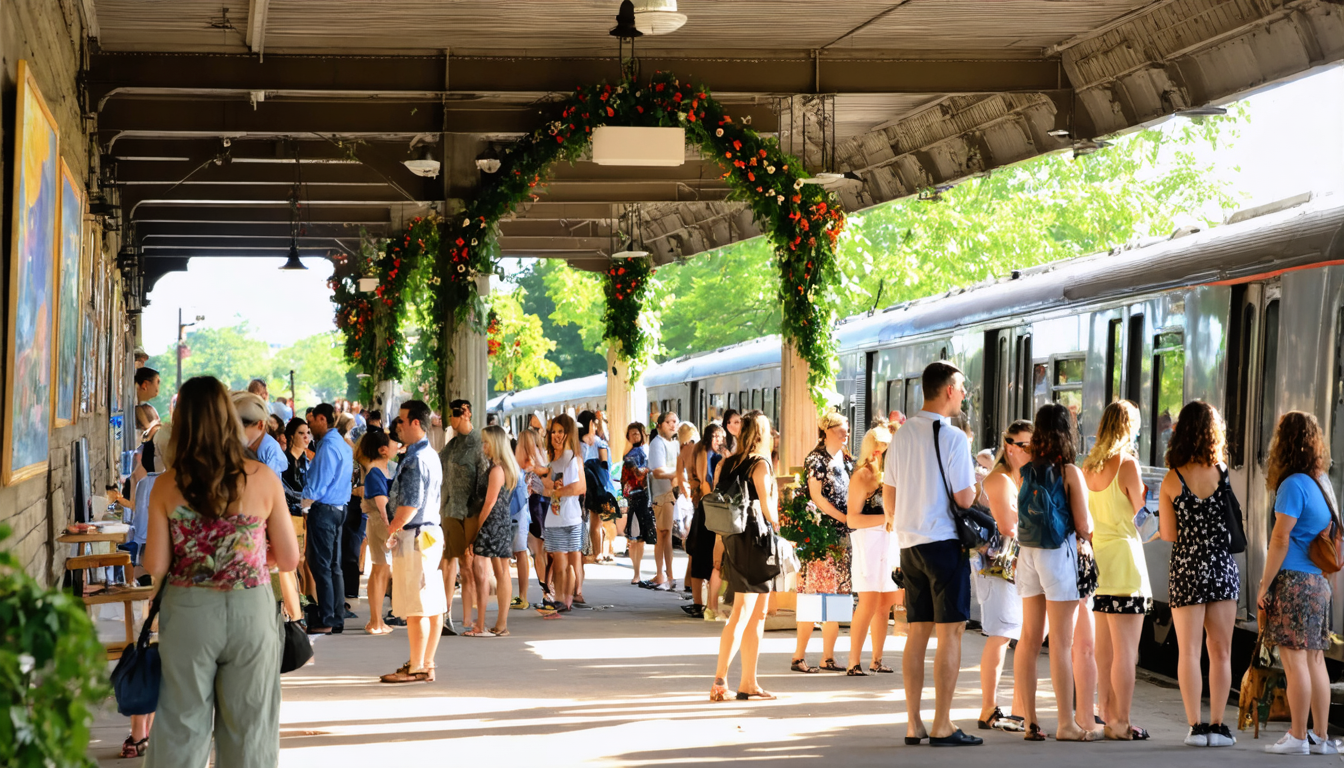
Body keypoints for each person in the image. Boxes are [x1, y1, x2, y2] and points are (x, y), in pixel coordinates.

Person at [141, 376, 299, 768]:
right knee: (250, 728)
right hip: (251, 610)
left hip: (189, 611)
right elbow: (291, 558)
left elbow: (155, 565)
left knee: (181, 723)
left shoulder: (166, 485)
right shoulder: (263, 479)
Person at [884, 362, 981, 747]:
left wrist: (905, 522)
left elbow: (888, 498)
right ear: (947, 390)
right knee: (951, 632)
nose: (963, 394)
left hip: (909, 545)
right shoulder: (954, 438)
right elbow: (964, 498)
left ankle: (914, 723)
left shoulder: (901, 435)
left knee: (917, 633)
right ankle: (943, 723)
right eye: (960, 388)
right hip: (943, 542)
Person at [1012, 403, 1096, 742]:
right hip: (1057, 555)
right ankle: (1066, 723)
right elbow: (1084, 525)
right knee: (1062, 643)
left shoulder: (1028, 469)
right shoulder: (1069, 472)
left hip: (1028, 554)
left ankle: (1030, 721)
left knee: (1029, 638)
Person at [1158, 401, 1239, 748]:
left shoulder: (1172, 478)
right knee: (1221, 651)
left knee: (1189, 651)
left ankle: (1195, 727)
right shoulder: (1223, 472)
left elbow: (1168, 534)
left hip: (1187, 567)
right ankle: (1219, 726)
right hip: (1221, 567)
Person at [1256, 411, 1336, 754]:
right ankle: (1319, 736)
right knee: (1316, 660)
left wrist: (1263, 585)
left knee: (1294, 661)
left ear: (1283, 443)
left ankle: (1298, 736)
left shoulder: (1292, 484)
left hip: (1292, 583)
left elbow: (1280, 539)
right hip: (1318, 584)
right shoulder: (1323, 483)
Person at [1082, 401, 1151, 741]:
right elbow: (1143, 517)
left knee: (1104, 650)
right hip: (1126, 563)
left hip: (1098, 564)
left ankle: (1106, 715)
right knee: (1127, 652)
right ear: (1128, 427)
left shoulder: (1088, 466)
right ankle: (1122, 722)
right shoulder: (1127, 464)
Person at [710, 411, 779, 702]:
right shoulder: (760, 464)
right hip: (757, 541)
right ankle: (720, 681)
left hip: (734, 539)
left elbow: (719, 505)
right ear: (762, 434)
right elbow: (768, 510)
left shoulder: (726, 464)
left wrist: (719, 545)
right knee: (742, 612)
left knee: (757, 614)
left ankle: (748, 682)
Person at [380, 399, 447, 683]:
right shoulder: (430, 455)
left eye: (401, 421)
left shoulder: (416, 459)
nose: (398, 426)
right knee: (431, 602)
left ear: (416, 423)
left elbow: (408, 505)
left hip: (416, 534)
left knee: (415, 604)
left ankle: (417, 666)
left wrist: (392, 529)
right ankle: (426, 662)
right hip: (430, 532)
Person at [974, 420, 1032, 732]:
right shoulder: (1000, 480)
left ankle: (1015, 710)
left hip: (1010, 567)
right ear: (1009, 446)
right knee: (1000, 636)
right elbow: (1009, 526)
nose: (1031, 451)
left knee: (1013, 635)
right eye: (1025, 446)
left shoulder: (1015, 478)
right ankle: (988, 708)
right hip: (997, 568)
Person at [793, 411, 854, 674]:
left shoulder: (848, 459)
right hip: (819, 539)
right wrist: (844, 517)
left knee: (838, 597)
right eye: (841, 428)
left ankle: (828, 657)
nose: (846, 433)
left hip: (842, 538)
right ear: (827, 429)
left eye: (847, 428)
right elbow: (816, 497)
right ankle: (798, 657)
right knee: (813, 597)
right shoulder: (816, 459)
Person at [845, 424, 899, 675]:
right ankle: (853, 661)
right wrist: (886, 518)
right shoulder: (862, 475)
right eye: (886, 448)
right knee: (867, 602)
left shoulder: (890, 474)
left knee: (884, 603)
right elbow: (852, 519)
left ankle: (876, 659)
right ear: (876, 450)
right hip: (868, 541)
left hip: (888, 540)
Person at [301, 402, 354, 634]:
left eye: (311, 421)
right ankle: (335, 616)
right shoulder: (340, 444)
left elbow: (317, 485)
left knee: (322, 565)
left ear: (322, 419)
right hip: (339, 508)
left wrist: (302, 505)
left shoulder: (328, 447)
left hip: (324, 510)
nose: (310, 426)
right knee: (333, 566)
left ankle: (327, 618)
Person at [440, 399, 489, 636]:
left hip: (470, 513)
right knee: (449, 562)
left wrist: (478, 517)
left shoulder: (480, 445)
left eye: (455, 414)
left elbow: (483, 485)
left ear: (467, 413)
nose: (452, 419)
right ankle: (446, 613)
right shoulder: (451, 447)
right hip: (450, 511)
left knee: (468, 567)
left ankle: (473, 619)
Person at [470, 424, 522, 636]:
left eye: (486, 442)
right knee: (502, 572)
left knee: (501, 572)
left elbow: (489, 503)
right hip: (501, 521)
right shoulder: (504, 468)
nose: (484, 447)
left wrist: (477, 529)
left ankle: (501, 623)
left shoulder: (497, 470)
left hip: (494, 523)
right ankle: (501, 622)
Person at [540, 414, 586, 613]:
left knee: (568, 563)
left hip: (571, 517)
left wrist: (557, 491)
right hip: (554, 517)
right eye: (553, 432)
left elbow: (578, 487)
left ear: (569, 434)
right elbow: (544, 488)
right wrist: (549, 487)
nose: (556, 436)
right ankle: (559, 599)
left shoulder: (573, 459)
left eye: (561, 431)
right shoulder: (551, 461)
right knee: (558, 562)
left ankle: (566, 598)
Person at [358, 429, 396, 635]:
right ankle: (376, 620)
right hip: (382, 523)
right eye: (392, 443)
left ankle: (376, 619)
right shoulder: (376, 472)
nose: (396, 445)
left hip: (379, 523)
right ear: (383, 450)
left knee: (380, 570)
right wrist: (392, 527)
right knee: (381, 570)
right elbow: (382, 505)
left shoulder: (380, 469)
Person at [685, 424, 725, 619]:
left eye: (721, 436)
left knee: (704, 557)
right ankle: (700, 603)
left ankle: (703, 603)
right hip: (709, 509)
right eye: (715, 436)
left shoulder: (711, 452)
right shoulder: (703, 452)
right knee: (703, 556)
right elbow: (705, 483)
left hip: (707, 508)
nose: (718, 440)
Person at [646, 411, 680, 591]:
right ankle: (663, 574)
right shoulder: (657, 443)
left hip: (671, 494)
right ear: (659, 425)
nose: (673, 425)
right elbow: (657, 471)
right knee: (663, 534)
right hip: (662, 494)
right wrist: (678, 475)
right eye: (669, 422)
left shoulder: (674, 443)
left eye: (675, 421)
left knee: (666, 536)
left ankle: (667, 574)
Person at [517, 428, 551, 603]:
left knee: (537, 551)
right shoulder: (541, 459)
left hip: (533, 504)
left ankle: (546, 589)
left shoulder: (526, 463)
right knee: (543, 550)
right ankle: (547, 590)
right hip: (543, 504)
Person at [623, 422, 656, 586]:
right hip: (637, 498)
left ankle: (638, 571)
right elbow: (638, 474)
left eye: (637, 433)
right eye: (632, 434)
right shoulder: (630, 455)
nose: (635, 436)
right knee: (635, 538)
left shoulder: (646, 451)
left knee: (639, 538)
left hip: (646, 497)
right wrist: (649, 470)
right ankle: (636, 572)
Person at [233, 391, 288, 478]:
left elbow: (271, 483)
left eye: (244, 425)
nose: (237, 433)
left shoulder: (271, 447)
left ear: (260, 424)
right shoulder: (243, 446)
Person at [674, 422, 700, 594]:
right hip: (700, 494)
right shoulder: (697, 449)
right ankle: (691, 581)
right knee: (696, 541)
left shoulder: (682, 452)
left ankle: (688, 580)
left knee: (692, 540)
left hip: (692, 497)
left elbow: (678, 475)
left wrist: (686, 490)